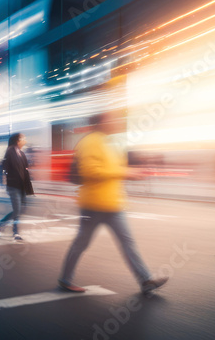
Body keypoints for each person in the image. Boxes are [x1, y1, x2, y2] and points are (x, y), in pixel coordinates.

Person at [57, 111, 169, 295]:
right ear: (101, 122)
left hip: (113, 204)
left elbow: (113, 169)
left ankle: (145, 280)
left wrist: (132, 173)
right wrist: (125, 173)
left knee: (127, 242)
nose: (116, 122)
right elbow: (92, 172)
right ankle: (65, 279)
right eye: (111, 119)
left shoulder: (109, 142)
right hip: (93, 204)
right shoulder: (90, 142)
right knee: (81, 243)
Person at [0, 133, 34, 241]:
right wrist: (3, 178)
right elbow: (3, 166)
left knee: (22, 209)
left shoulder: (21, 152)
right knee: (17, 210)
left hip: (22, 186)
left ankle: (13, 230)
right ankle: (8, 228)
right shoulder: (10, 151)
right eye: (23, 138)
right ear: (17, 140)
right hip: (13, 185)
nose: (25, 140)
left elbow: (25, 168)